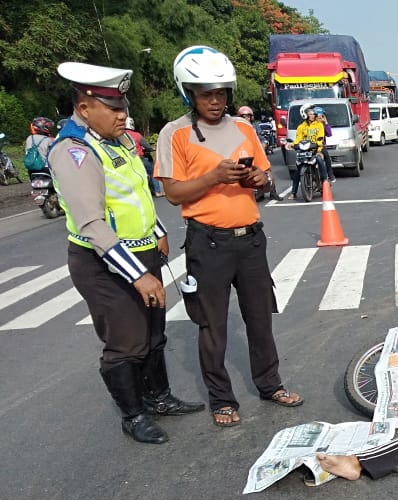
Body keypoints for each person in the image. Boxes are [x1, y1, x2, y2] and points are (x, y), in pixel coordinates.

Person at [50, 61, 204, 443]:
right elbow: (91, 223)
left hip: (143, 252)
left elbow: (134, 196)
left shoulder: (117, 142)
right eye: (114, 108)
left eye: (123, 106)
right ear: (85, 108)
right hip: (104, 264)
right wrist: (137, 273)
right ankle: (133, 415)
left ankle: (159, 397)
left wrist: (157, 231)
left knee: (154, 334)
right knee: (125, 342)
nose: (124, 115)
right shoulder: (75, 151)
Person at [156, 45, 302, 428]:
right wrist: (213, 177)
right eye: (207, 94)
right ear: (189, 93)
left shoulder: (244, 128)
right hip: (209, 243)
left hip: (251, 240)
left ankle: (270, 384)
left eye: (221, 93)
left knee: (260, 319)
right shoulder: (176, 134)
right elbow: (173, 194)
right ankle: (222, 398)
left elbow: (268, 181)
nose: (216, 101)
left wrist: (260, 180)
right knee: (212, 326)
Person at [125, 117, 162, 197]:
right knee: (152, 172)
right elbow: (147, 146)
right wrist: (152, 149)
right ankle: (157, 191)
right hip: (140, 158)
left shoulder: (120, 136)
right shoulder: (137, 135)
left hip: (127, 160)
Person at [293, 105, 329, 183]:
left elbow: (320, 138)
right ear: (305, 114)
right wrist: (293, 144)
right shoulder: (300, 127)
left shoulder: (319, 125)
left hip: (316, 150)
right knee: (298, 168)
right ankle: (293, 193)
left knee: (319, 160)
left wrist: (318, 147)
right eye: (310, 113)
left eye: (313, 114)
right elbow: (298, 139)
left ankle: (325, 180)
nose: (313, 115)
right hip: (305, 151)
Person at [312, 106, 335, 183]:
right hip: (310, 146)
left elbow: (329, 134)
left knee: (327, 158)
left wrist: (326, 123)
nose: (319, 118)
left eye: (321, 116)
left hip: (321, 146)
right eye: (318, 116)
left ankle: (330, 175)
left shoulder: (323, 125)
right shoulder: (311, 125)